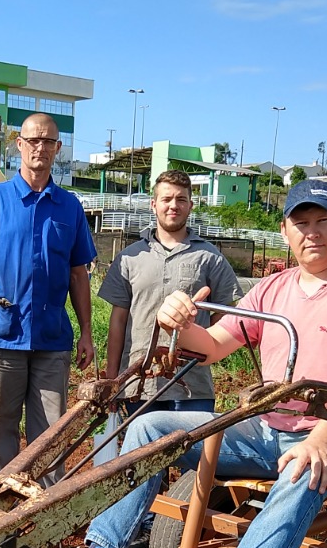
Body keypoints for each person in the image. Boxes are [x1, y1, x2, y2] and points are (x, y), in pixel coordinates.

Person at [32, 179, 327, 548]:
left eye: (322, 221)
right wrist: (182, 323)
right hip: (271, 428)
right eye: (301, 222)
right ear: (286, 231)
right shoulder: (272, 289)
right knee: (148, 427)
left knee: (302, 468)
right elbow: (211, 348)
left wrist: (323, 440)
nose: (312, 232)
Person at [0, 113, 97, 478]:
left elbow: (78, 274)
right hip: (1, 337)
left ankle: (46, 518)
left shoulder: (69, 207)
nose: (40, 147)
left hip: (52, 340)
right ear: (19, 145)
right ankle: (1, 516)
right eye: (33, 140)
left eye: (48, 141)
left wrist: (86, 332)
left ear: (58, 149)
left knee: (50, 435)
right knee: (1, 430)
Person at [100, 168, 239, 419]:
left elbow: (226, 320)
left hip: (192, 386)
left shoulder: (210, 258)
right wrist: (113, 378)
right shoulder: (130, 258)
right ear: (154, 205)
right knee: (139, 453)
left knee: (191, 454)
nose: (173, 205)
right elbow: (118, 321)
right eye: (166, 199)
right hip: (138, 383)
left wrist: (207, 349)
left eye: (181, 199)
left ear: (190, 206)